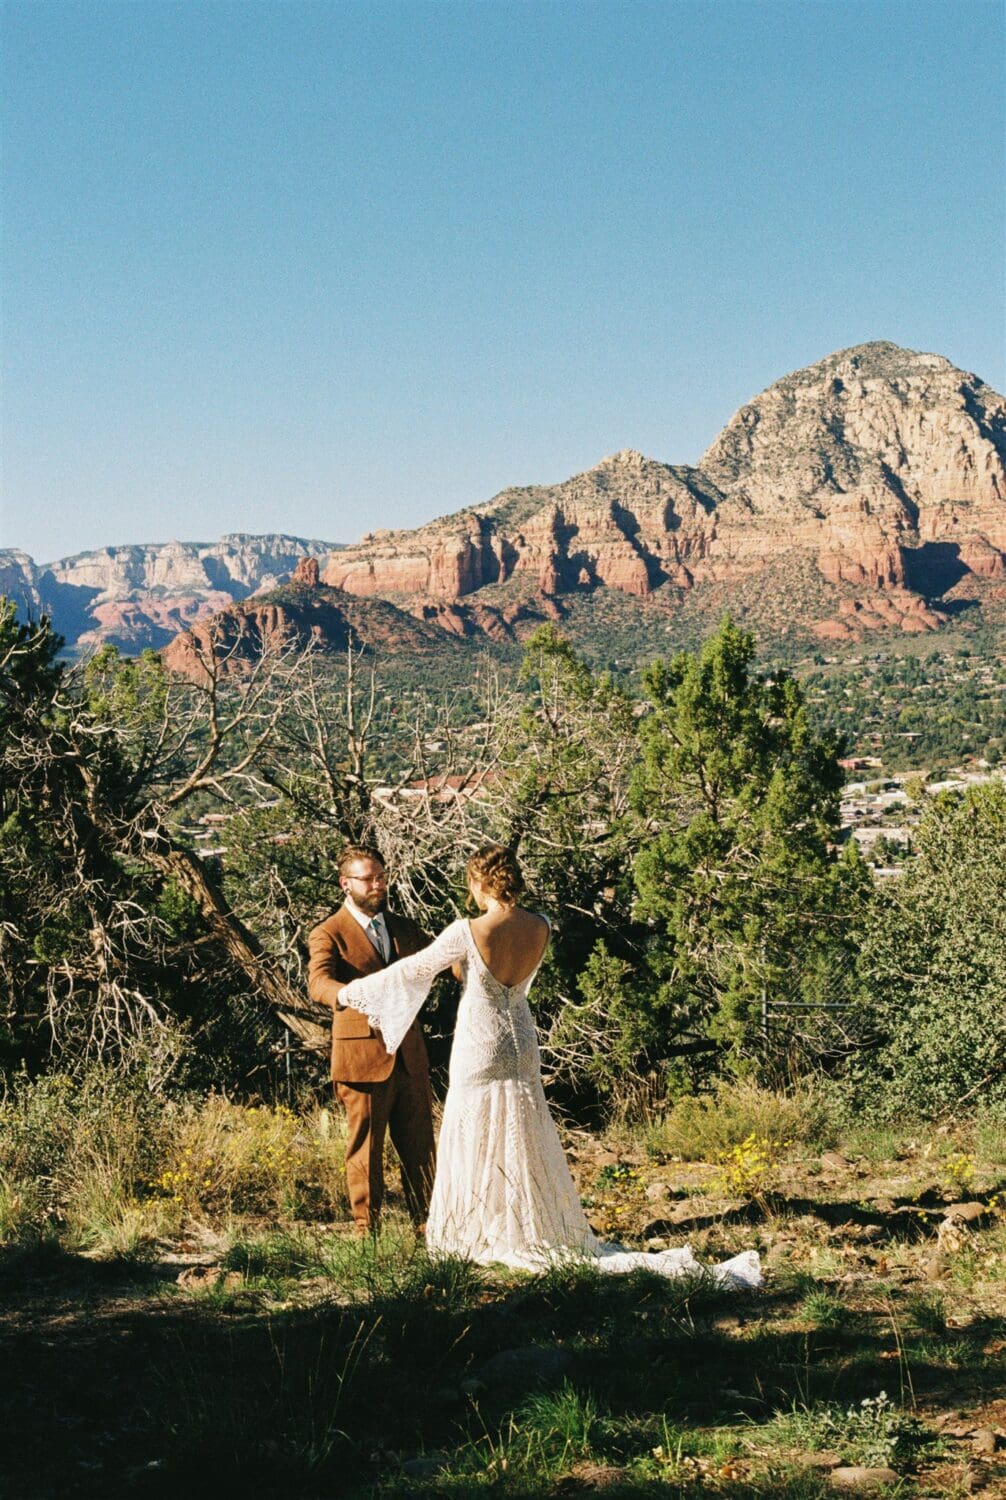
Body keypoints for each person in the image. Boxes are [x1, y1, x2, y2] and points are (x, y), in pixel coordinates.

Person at [338, 844, 760, 1284]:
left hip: (481, 1041)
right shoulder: (541, 926)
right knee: (521, 1127)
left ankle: (476, 1225)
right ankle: (529, 1221)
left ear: (480, 884)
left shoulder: (467, 930)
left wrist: (352, 994)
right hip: (521, 1037)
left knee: (474, 1127)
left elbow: (413, 972)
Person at [307, 845, 436, 1237]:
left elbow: (439, 961)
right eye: (369, 879)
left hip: (409, 1057)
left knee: (421, 1149)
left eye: (382, 877)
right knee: (365, 1150)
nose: (378, 885)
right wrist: (347, 994)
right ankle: (368, 1233)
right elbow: (318, 983)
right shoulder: (328, 932)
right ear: (346, 884)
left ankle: (429, 1228)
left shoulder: (404, 927)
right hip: (361, 1060)